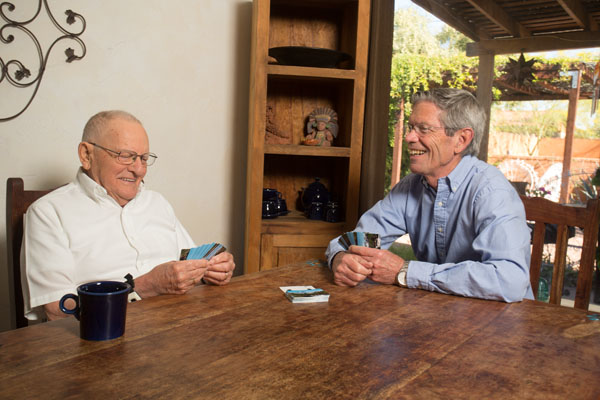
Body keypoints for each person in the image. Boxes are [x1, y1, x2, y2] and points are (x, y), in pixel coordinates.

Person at [22, 110, 236, 321]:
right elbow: (57, 310)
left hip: (179, 327)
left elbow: (190, 267)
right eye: (126, 156)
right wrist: (146, 286)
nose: (139, 170)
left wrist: (211, 270)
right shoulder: (47, 213)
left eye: (143, 158)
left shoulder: (157, 202)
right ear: (86, 155)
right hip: (103, 339)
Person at [326, 88, 533, 302]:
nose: (409, 137)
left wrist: (405, 271)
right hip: (441, 315)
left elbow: (510, 280)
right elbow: (360, 241)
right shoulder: (411, 187)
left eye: (423, 129)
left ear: (461, 139)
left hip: (502, 325)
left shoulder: (492, 192)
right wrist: (341, 258)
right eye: (411, 127)